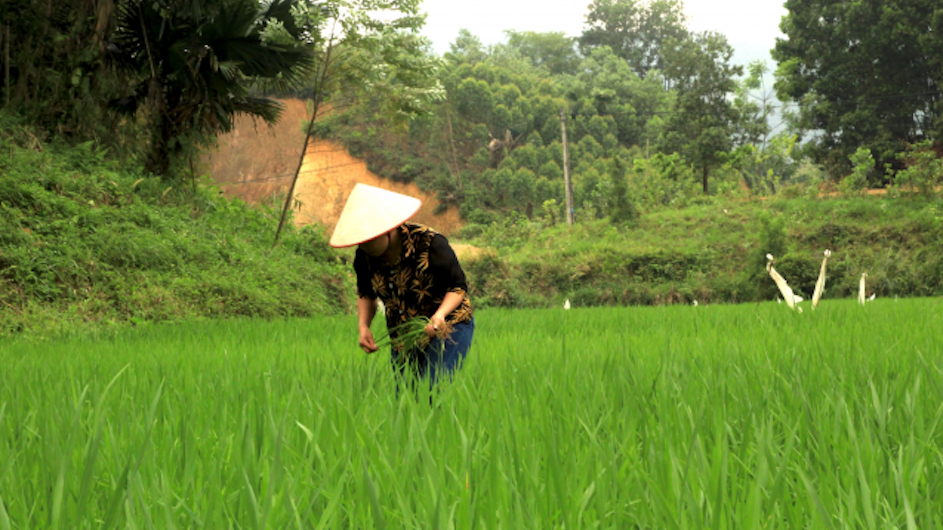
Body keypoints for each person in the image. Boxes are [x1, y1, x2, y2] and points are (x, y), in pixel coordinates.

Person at [330, 183, 474, 385]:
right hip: (404, 334)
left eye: (369, 240)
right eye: (360, 242)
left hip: (448, 325)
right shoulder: (364, 255)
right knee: (405, 398)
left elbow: (457, 288)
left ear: (388, 230)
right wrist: (363, 326)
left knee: (433, 388)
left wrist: (439, 316)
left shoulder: (430, 243)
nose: (364, 246)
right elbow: (366, 294)